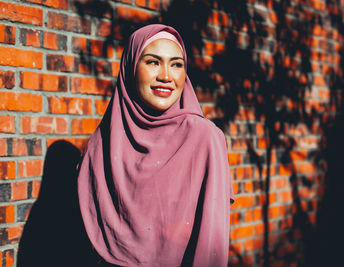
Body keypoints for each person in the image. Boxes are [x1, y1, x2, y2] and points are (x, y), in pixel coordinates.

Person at [76, 24, 234, 267]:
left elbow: (212, 243)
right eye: (152, 62)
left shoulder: (205, 139)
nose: (166, 76)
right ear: (130, 68)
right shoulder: (101, 144)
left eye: (176, 64)